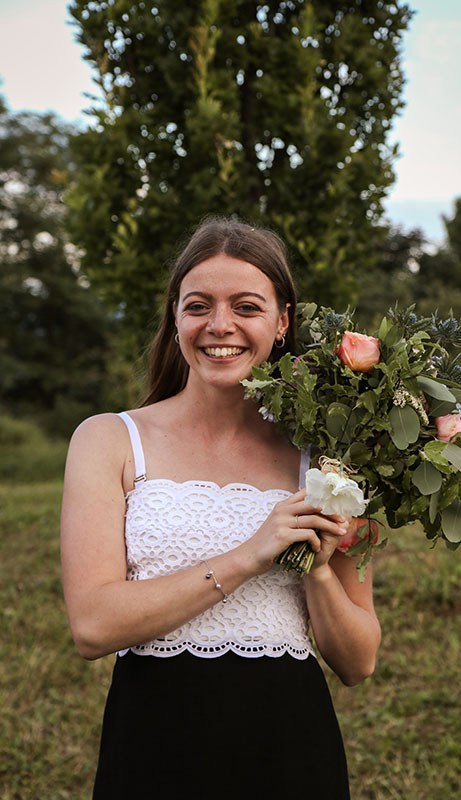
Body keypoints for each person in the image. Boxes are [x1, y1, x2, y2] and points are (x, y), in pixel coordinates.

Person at [61, 217, 381, 799]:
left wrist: (314, 567)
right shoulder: (108, 439)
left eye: (247, 307)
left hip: (290, 750)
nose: (220, 326)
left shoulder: (329, 457)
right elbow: (92, 625)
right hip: (153, 746)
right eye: (199, 305)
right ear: (176, 318)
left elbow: (358, 662)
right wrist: (251, 555)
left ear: (283, 322)